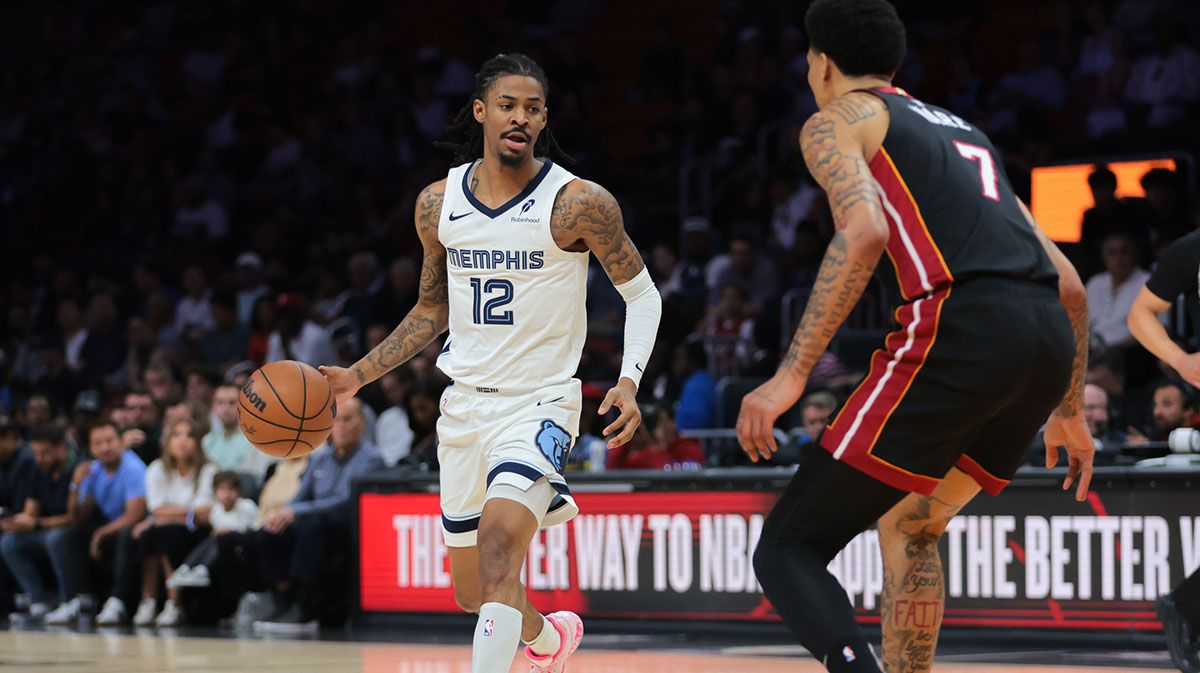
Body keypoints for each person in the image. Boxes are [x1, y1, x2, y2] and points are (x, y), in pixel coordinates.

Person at [735, 3, 1093, 671]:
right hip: (1044, 338)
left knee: (788, 545)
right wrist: (1069, 410)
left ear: (821, 63)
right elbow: (1070, 282)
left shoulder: (839, 118)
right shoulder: (970, 136)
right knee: (912, 524)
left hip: (962, 326)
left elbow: (864, 232)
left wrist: (789, 376)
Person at [319, 54, 661, 673]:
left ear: (544, 119)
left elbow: (642, 294)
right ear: (481, 111)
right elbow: (431, 310)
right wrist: (356, 376)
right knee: (474, 591)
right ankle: (547, 640)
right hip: (463, 408)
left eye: (533, 108)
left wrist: (630, 381)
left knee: (503, 548)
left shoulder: (577, 202)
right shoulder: (437, 203)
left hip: (541, 402)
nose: (520, 117)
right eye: (508, 104)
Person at [1128, 227, 1200, 672]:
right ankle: (1185, 605)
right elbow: (1141, 314)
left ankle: (1185, 605)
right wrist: (1179, 360)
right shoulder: (1190, 251)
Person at [253, 398, 384, 629]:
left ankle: (304, 605)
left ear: (362, 422)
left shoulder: (372, 458)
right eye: (336, 420)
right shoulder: (319, 458)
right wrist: (282, 512)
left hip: (349, 527)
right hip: (315, 523)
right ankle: (283, 600)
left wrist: (295, 511)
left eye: (348, 419)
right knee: (269, 532)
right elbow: (300, 497)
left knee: (311, 527)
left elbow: (344, 502)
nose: (341, 426)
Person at [46, 418, 147, 626]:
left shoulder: (132, 468)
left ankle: (118, 602)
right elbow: (78, 516)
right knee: (69, 536)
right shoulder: (93, 470)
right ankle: (78, 599)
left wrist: (100, 533)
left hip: (138, 528)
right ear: (91, 448)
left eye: (109, 441)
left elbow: (134, 515)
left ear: (121, 442)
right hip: (111, 526)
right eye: (98, 443)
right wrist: (75, 485)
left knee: (125, 534)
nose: (105, 448)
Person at [131, 416, 218, 626]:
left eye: (189, 436)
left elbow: (204, 512)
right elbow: (155, 509)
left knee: (161, 533)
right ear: (167, 441)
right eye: (176, 435)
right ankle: (149, 602)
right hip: (168, 528)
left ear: (198, 442)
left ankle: (173, 603)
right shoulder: (157, 468)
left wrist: (170, 515)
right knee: (153, 534)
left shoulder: (209, 470)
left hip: (198, 531)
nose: (182, 441)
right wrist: (185, 513)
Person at [0, 426, 80, 621]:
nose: (39, 458)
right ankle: (40, 600)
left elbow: (73, 518)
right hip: (45, 529)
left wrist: (35, 523)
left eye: (45, 453)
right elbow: (30, 511)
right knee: (9, 542)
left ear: (61, 448)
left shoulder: (78, 468)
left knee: (56, 538)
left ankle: (68, 601)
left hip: (73, 531)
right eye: (36, 453)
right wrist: (17, 523)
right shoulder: (38, 470)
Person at [168, 470, 258, 592]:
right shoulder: (216, 510)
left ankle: (203, 569)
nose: (226, 494)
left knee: (221, 539)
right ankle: (186, 567)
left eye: (231, 489)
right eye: (222, 490)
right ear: (215, 493)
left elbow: (253, 528)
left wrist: (228, 532)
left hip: (239, 544)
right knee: (210, 540)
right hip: (221, 543)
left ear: (239, 491)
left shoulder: (246, 506)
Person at [203, 384, 277, 487]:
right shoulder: (208, 440)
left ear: (243, 405)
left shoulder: (254, 438)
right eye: (220, 402)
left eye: (232, 403)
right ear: (213, 406)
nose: (225, 408)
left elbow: (253, 480)